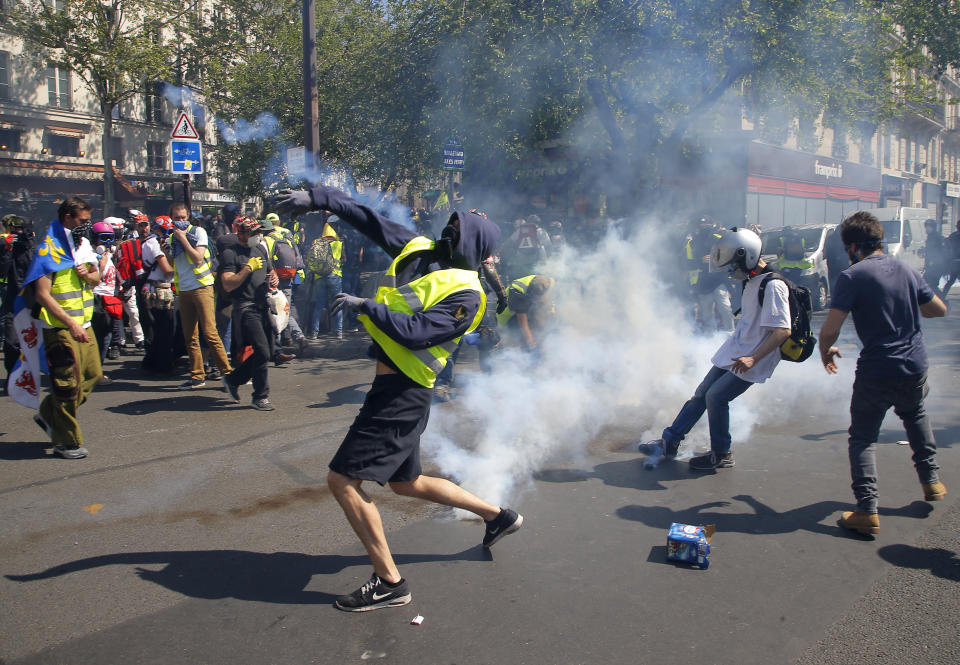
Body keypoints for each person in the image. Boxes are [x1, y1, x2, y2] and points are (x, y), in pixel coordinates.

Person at [277, 186, 524, 612]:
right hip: (394, 389)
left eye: (457, 229)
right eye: (451, 223)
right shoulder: (420, 248)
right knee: (405, 482)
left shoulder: (469, 296)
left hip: (404, 394)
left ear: (473, 243)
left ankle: (390, 582)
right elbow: (366, 217)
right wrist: (317, 197)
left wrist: (366, 307)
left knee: (342, 481)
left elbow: (417, 332)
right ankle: (498, 516)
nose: (447, 231)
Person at [818, 211, 948, 536]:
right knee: (915, 415)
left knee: (863, 438)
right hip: (915, 365)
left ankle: (867, 509)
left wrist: (825, 351)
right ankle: (931, 481)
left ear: (852, 246)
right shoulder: (906, 269)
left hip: (877, 369)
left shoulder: (852, 276)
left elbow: (830, 329)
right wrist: (901, 302)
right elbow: (937, 309)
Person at [639, 227, 792, 470]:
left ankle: (722, 453)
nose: (731, 272)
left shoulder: (774, 285)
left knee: (716, 397)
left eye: (733, 266)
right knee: (702, 393)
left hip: (754, 356)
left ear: (747, 256)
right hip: (736, 350)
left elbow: (782, 331)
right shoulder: (753, 279)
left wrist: (753, 358)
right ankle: (670, 441)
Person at [33, 197, 102, 459]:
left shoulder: (83, 245)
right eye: (83, 221)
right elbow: (42, 294)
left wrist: (88, 275)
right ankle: (66, 441)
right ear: (67, 218)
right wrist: (70, 324)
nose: (87, 226)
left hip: (84, 323)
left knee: (93, 376)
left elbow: (96, 278)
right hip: (60, 327)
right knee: (67, 385)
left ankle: (49, 413)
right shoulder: (48, 249)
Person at [169, 202, 233, 388]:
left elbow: (197, 258)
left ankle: (228, 374)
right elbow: (172, 262)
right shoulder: (172, 237)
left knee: (210, 332)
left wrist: (182, 239)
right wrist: (167, 248)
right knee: (190, 336)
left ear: (188, 216)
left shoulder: (197, 232)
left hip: (202, 287)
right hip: (185, 290)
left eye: (183, 217)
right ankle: (197, 375)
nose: (180, 221)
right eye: (176, 218)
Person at [219, 217, 279, 411]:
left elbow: (270, 271)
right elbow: (227, 283)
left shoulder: (260, 249)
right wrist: (247, 269)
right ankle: (260, 397)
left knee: (268, 352)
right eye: (251, 233)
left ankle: (233, 379)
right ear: (240, 233)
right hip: (245, 307)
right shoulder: (230, 254)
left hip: (263, 305)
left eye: (257, 232)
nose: (256, 236)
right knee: (261, 350)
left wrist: (274, 278)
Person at [1, 214, 35, 380]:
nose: (16, 232)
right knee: (11, 343)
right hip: (12, 304)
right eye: (13, 229)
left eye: (19, 229)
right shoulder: (7, 249)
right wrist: (6, 251)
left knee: (34, 345)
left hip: (33, 305)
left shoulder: (35, 251)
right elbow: (3, 271)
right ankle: (12, 376)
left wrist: (27, 245)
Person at [140, 216, 176, 374]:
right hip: (158, 288)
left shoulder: (154, 242)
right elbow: (167, 269)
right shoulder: (153, 243)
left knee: (159, 329)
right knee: (163, 329)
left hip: (158, 287)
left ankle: (152, 361)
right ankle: (162, 365)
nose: (166, 234)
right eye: (164, 231)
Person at [495, 274, 555, 352]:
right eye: (535, 299)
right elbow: (523, 324)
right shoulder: (518, 292)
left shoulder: (548, 284)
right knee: (513, 342)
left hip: (526, 311)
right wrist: (532, 344)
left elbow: (547, 312)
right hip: (508, 318)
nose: (536, 301)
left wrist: (546, 336)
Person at [307, 221, 344, 339]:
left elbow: (309, 258)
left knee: (319, 305)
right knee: (338, 303)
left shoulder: (316, 242)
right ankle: (338, 331)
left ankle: (314, 332)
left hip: (319, 277)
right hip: (335, 276)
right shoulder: (339, 244)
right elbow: (344, 259)